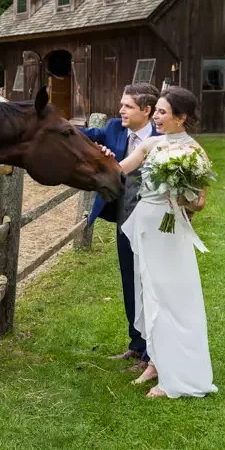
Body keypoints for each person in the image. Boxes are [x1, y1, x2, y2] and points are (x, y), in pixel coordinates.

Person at [110, 86, 217, 399]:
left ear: (180, 118)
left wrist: (180, 193)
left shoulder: (195, 154)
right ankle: (155, 362)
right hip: (145, 227)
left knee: (169, 296)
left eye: (161, 112)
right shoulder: (152, 145)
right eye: (155, 111)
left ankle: (175, 372)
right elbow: (119, 169)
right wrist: (102, 157)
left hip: (168, 231)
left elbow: (199, 203)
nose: (155, 117)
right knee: (149, 293)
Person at [79, 84, 160, 376]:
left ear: (146, 110)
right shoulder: (114, 128)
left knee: (151, 285)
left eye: (128, 106)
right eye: (121, 105)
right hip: (125, 219)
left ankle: (152, 354)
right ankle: (137, 344)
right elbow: (85, 135)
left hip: (154, 224)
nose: (121, 110)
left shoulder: (163, 138)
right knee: (130, 280)